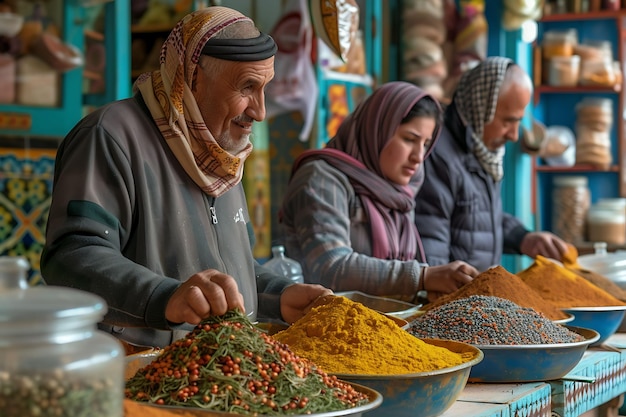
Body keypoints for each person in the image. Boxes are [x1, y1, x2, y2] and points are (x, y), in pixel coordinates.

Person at [40, 6, 331, 350]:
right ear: (192, 79)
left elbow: (228, 272)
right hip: (134, 372)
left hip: (219, 372)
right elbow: (72, 255)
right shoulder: (112, 136)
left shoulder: (221, 154)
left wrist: (278, 295)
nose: (260, 111)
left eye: (264, 88)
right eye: (247, 87)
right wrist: (165, 297)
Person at [279, 81, 479, 303]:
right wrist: (422, 277)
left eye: (425, 144)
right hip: (321, 329)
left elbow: (395, 279)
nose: (418, 156)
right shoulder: (321, 179)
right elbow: (331, 267)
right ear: (377, 130)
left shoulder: (399, 193)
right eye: (409, 139)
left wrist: (425, 289)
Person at [413, 56, 570, 273]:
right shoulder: (438, 157)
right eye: (507, 121)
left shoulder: (480, 147)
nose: (514, 135)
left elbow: (474, 217)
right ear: (480, 108)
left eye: (518, 121)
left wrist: (522, 238)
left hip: (474, 300)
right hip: (454, 301)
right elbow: (431, 253)